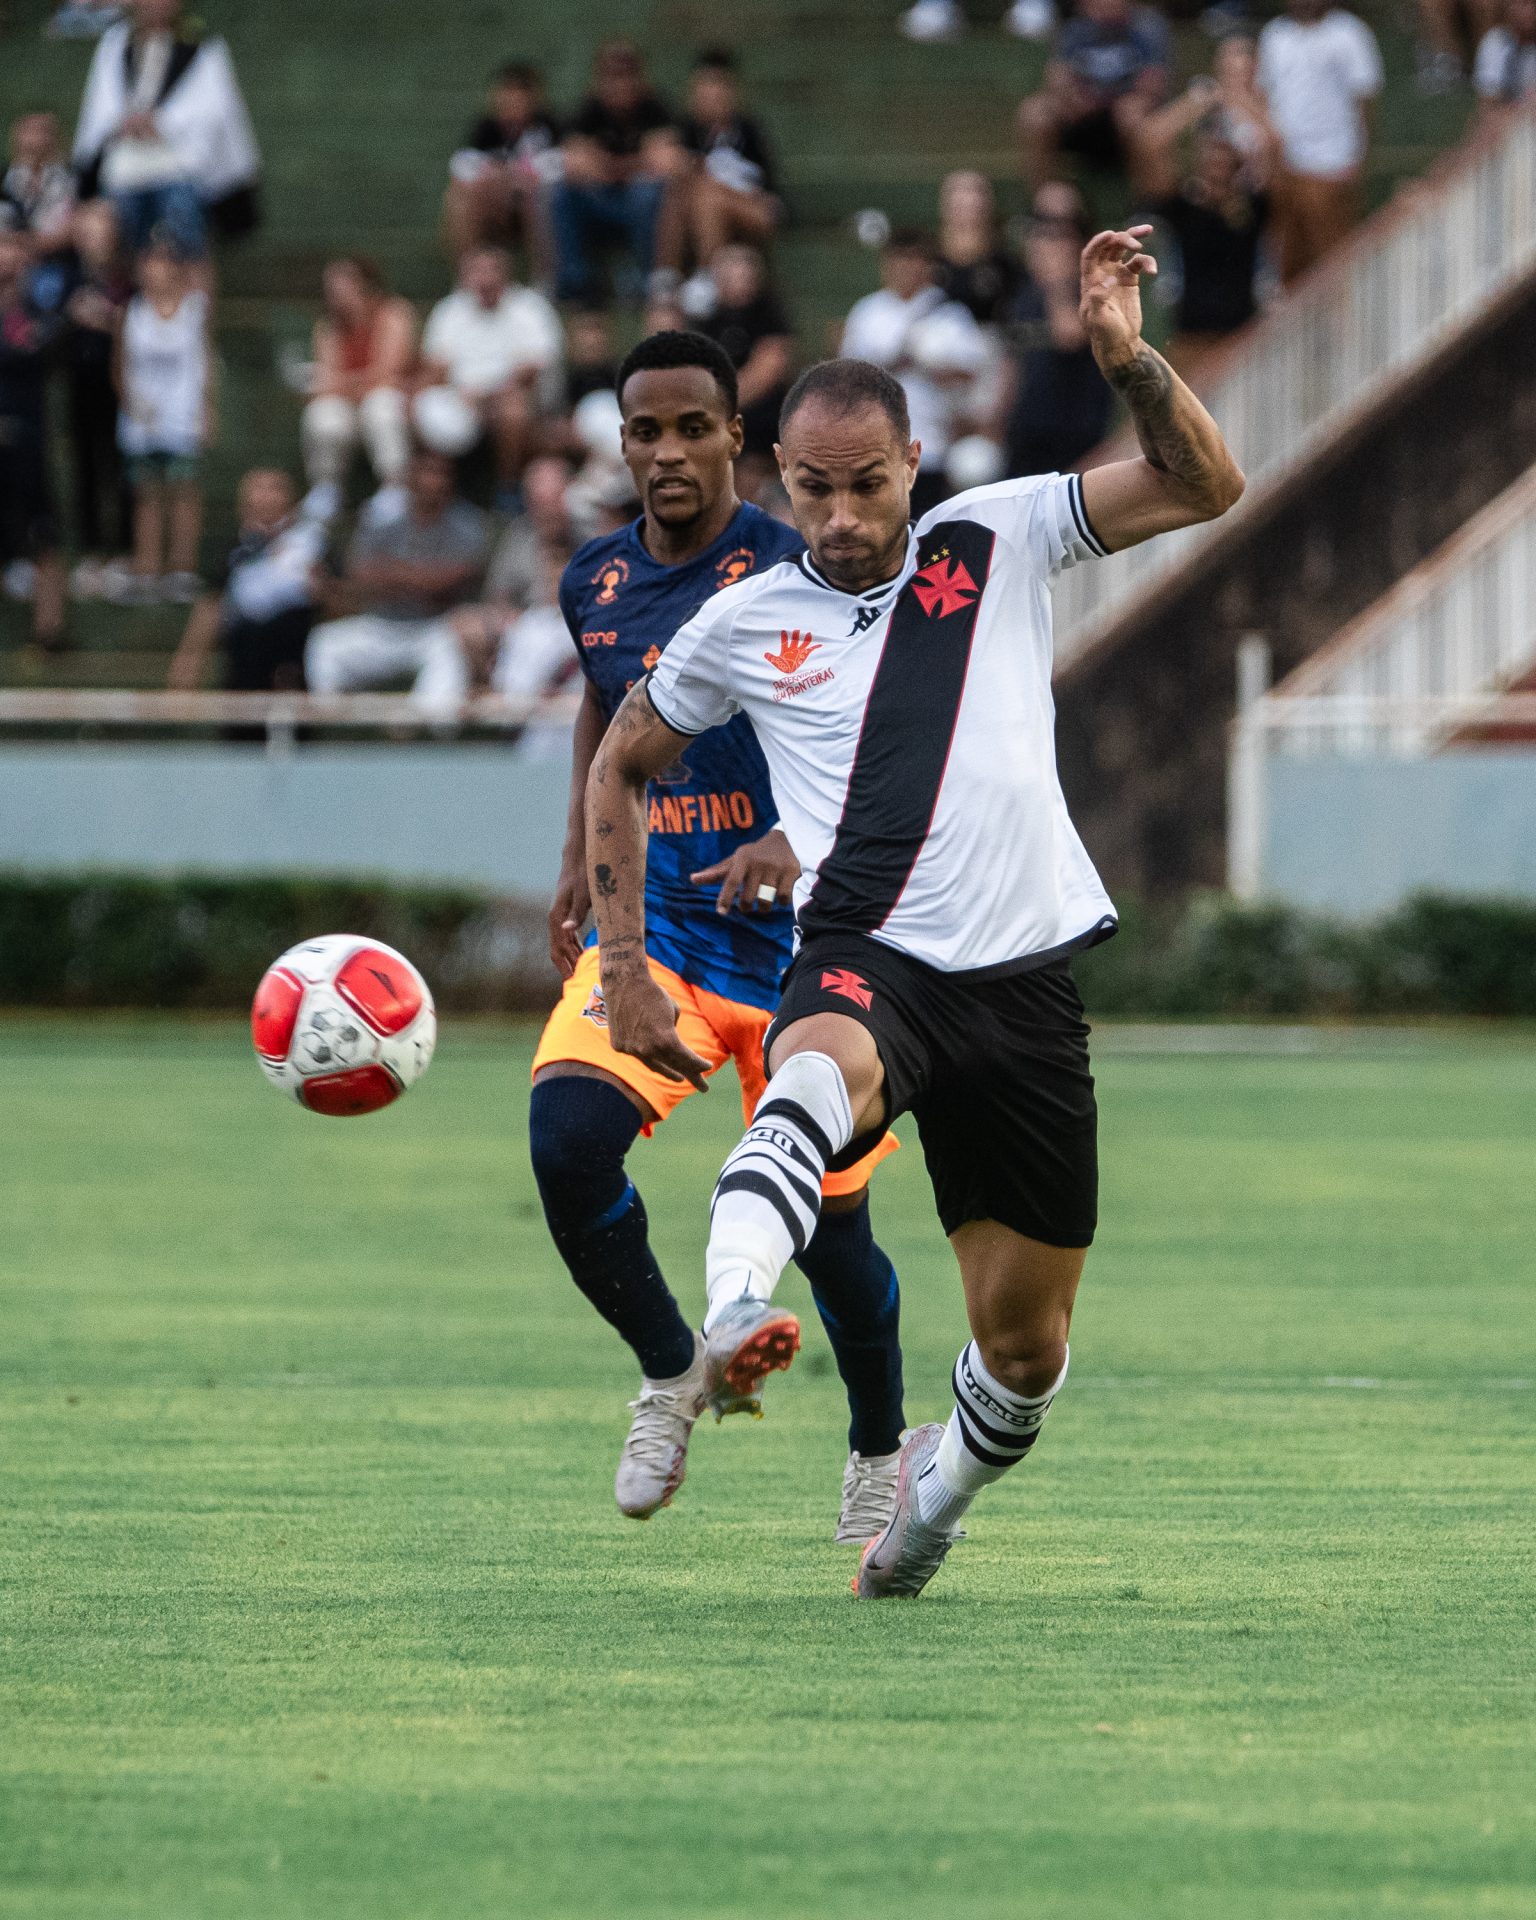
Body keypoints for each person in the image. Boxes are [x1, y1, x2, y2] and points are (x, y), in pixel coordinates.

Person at [582, 229, 1245, 1598]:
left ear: (912, 470)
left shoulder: (996, 537)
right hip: (868, 958)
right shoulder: (743, 622)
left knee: (1026, 1354)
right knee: (809, 1083)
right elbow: (620, 763)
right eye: (812, 489)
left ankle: (926, 1515)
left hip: (1025, 983)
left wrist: (1125, 360)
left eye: (866, 486)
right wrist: (624, 957)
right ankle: (732, 1319)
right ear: (780, 477)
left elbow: (1207, 481)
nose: (838, 516)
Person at [533, 329, 908, 1534]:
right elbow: (608, 727)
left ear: (737, 438)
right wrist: (580, 877)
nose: (669, 451)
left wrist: (796, 840)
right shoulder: (593, 580)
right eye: (646, 430)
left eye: (695, 426)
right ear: (623, 440)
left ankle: (876, 1454)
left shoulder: (806, 561)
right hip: (672, 939)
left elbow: (884, 729)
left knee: (836, 1240)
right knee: (565, 1141)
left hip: (813, 950)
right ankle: (669, 1367)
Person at [305, 445, 488, 712]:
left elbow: (455, 578)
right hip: (383, 625)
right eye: (425, 473)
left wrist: (394, 573)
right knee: (324, 645)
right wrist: (422, 577)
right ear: (410, 479)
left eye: (440, 475)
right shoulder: (384, 521)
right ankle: (340, 727)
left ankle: (420, 735)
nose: (432, 482)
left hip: (436, 628)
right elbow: (361, 574)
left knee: (452, 657)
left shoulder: (468, 525)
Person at [72, 0, 261, 260]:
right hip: (127, 160)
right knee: (120, 233)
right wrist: (123, 122)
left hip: (178, 160)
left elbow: (214, 106)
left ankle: (193, 295)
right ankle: (136, 294)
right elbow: (102, 102)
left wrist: (164, 122)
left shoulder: (199, 46)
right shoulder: (115, 45)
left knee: (185, 236)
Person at [840, 228, 990, 517]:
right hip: (878, 448)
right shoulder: (868, 312)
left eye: (914, 260)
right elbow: (848, 380)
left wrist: (933, 367)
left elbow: (975, 375)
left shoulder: (949, 313)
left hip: (934, 446)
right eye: (898, 260)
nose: (905, 268)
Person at [167, 468, 336, 696]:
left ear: (292, 499)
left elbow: (342, 600)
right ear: (243, 501)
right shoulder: (235, 549)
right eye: (258, 489)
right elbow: (212, 606)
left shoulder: (312, 543)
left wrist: (323, 590)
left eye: (275, 489)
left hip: (296, 659)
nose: (266, 496)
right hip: (245, 660)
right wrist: (188, 665)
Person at [414, 245, 563, 491]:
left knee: (513, 412)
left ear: (506, 274)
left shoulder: (530, 308)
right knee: (417, 404)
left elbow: (531, 370)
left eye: (491, 271)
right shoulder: (449, 310)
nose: (484, 279)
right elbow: (435, 365)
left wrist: (485, 395)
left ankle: (508, 486)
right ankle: (439, 489)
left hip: (513, 397)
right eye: (476, 271)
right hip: (460, 397)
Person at [1257, 0, 1383, 285]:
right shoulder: (1274, 35)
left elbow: (1364, 100)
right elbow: (1266, 96)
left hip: (1333, 160)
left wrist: (1357, 158)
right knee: (1289, 264)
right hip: (1286, 163)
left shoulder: (1349, 33)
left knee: (1333, 261)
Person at [115, 233, 211, 602]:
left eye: (163, 262)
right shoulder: (132, 311)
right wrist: (130, 404)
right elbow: (120, 366)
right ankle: (147, 568)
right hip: (142, 419)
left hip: (182, 415)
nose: (155, 270)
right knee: (147, 496)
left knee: (183, 492)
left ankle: (182, 568)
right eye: (149, 262)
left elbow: (204, 362)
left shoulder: (194, 310)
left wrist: (207, 410)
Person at [550, 40, 685, 304]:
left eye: (627, 75)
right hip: (600, 201)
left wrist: (606, 164)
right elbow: (574, 163)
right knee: (560, 193)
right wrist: (637, 163)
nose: (620, 85)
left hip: (644, 205)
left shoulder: (656, 109)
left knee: (648, 191)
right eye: (612, 76)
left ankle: (651, 277)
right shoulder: (588, 110)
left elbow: (669, 161)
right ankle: (575, 280)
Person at [997, 182, 1114, 478]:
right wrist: (996, 422)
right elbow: (1014, 361)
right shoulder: (1024, 293)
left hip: (1077, 444)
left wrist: (1057, 282)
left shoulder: (1099, 289)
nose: (1049, 239)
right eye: (1041, 225)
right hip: (1026, 440)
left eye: (1062, 229)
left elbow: (1069, 336)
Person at [1018, 0, 1172, 192]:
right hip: (1081, 119)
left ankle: (1146, 204)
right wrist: (1074, 98)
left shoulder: (1147, 26)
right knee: (1035, 113)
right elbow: (1057, 78)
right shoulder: (1075, 29)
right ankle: (1043, 202)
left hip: (1125, 127)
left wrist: (1107, 101)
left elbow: (1153, 86)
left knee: (1131, 112)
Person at [0, 212, 68, 647]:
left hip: (27, 435)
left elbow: (39, 350)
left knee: (45, 533)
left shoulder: (39, 308)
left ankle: (51, 630)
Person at [61, 197, 133, 596]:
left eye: (100, 223)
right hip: (81, 380)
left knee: (120, 463)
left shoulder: (126, 276)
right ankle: (90, 550)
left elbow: (139, 322)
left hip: (117, 382)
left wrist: (109, 321)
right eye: (86, 224)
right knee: (86, 463)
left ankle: (124, 548)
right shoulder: (69, 274)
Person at [301, 256, 417, 489]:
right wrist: (348, 384)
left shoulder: (394, 313)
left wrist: (344, 383)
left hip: (388, 397)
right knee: (322, 416)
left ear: (365, 285)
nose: (336, 293)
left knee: (381, 410)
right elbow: (327, 377)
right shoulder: (327, 326)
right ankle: (326, 490)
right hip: (349, 403)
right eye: (331, 288)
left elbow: (391, 369)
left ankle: (394, 487)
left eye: (344, 284)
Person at [440, 61, 561, 276]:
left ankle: (545, 281)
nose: (512, 102)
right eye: (506, 94)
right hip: (496, 207)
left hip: (536, 205)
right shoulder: (486, 130)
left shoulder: (549, 127)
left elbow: (558, 167)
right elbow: (463, 166)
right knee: (458, 197)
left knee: (538, 193)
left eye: (519, 95)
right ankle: (468, 279)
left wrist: (516, 176)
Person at [693, 242, 794, 485]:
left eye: (745, 271)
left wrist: (719, 406)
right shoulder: (708, 322)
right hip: (718, 415)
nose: (739, 278)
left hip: (760, 416)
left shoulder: (769, 315)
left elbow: (769, 369)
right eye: (731, 272)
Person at [676, 49, 782, 269]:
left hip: (750, 208)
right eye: (707, 87)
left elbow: (769, 194)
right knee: (705, 199)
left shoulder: (750, 132)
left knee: (710, 197)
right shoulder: (684, 132)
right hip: (697, 212)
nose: (714, 95)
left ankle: (705, 276)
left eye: (720, 86)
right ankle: (703, 276)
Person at [1136, 35, 1280, 197]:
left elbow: (1279, 150)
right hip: (1201, 190)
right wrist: (1194, 103)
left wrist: (1239, 98)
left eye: (1242, 72)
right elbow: (1149, 138)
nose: (1233, 74)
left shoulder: (1269, 105)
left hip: (1249, 192)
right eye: (1226, 70)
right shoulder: (1203, 99)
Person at [935, 170, 1020, 328]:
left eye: (976, 202)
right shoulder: (929, 262)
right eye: (960, 205)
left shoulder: (1005, 264)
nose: (969, 210)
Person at [3, 112, 77, 256]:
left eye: (43, 132)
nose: (37, 140)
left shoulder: (72, 178)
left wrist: (33, 243)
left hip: (55, 256)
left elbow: (70, 227)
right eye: (30, 131)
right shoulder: (6, 178)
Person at [1474, 0, 1536, 118]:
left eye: (1531, 4)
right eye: (1520, 4)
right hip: (1514, 122)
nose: (1528, 11)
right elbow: (1489, 104)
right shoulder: (1498, 41)